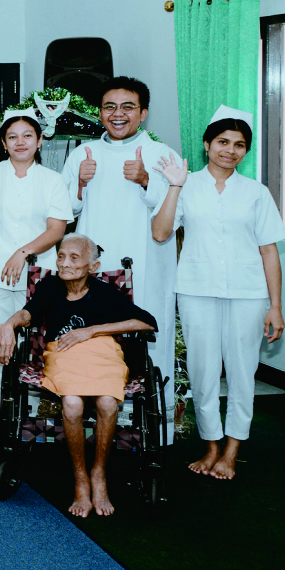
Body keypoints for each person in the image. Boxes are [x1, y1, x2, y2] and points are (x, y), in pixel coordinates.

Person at [150, 106, 285, 480]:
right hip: (197, 289)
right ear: (207, 144)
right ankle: (210, 444)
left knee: (242, 370)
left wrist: (276, 305)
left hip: (249, 293)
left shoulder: (256, 193)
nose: (230, 150)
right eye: (223, 142)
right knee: (203, 369)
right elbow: (160, 233)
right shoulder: (186, 184)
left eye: (239, 145)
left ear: (246, 151)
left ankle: (232, 450)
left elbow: (269, 251)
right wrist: (174, 186)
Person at [0, 234, 158, 518]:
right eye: (61, 256)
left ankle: (99, 474)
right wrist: (8, 324)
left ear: (92, 266)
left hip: (102, 353)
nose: (64, 263)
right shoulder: (50, 286)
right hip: (64, 354)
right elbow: (28, 314)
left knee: (108, 402)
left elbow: (147, 322)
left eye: (74, 258)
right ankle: (81, 478)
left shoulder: (105, 292)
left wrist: (92, 331)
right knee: (71, 404)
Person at [59, 77, 179, 431]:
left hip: (145, 266)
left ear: (143, 113)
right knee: (91, 339)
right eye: (110, 107)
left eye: (128, 107)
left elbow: (174, 217)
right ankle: (93, 423)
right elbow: (63, 211)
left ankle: (153, 428)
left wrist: (147, 181)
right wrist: (80, 184)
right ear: (99, 113)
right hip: (95, 270)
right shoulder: (82, 154)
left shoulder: (162, 156)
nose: (118, 114)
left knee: (147, 340)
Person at [0, 110, 73, 425]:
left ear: (39, 141)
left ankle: (28, 416)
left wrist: (23, 252)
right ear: (3, 143)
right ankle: (3, 416)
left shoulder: (52, 180)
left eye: (27, 136)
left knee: (35, 343)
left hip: (38, 274)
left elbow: (56, 230)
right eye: (12, 137)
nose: (20, 142)